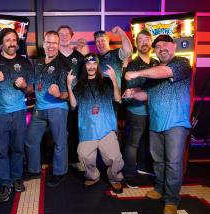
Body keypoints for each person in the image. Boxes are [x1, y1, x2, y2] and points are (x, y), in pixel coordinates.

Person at [123, 34, 192, 214]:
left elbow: (165, 72)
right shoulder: (155, 71)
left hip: (176, 124)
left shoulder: (181, 63)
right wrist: (132, 93)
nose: (161, 48)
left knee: (173, 163)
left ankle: (171, 200)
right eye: (158, 46)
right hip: (156, 123)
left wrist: (137, 73)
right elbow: (146, 94)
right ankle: (160, 189)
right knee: (159, 161)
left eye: (165, 45)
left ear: (173, 46)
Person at [0, 28, 33, 202]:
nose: (12, 43)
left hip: (19, 112)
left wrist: (25, 85)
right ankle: (5, 182)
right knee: (1, 150)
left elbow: (30, 89)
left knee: (18, 148)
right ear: (0, 43)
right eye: (7, 40)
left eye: (14, 40)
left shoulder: (25, 63)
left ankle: (16, 177)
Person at [67, 53, 124, 193]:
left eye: (94, 64)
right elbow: (73, 105)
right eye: (88, 64)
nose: (91, 66)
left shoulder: (106, 81)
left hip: (106, 128)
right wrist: (69, 85)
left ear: (97, 65)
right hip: (88, 129)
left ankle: (114, 178)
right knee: (83, 156)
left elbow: (118, 99)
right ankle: (93, 176)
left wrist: (114, 79)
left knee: (115, 158)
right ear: (85, 66)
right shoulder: (80, 85)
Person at [25, 31, 69, 188]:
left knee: (59, 142)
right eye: (48, 42)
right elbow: (32, 86)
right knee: (31, 140)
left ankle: (59, 172)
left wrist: (59, 94)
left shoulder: (63, 65)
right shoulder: (37, 62)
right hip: (39, 107)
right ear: (44, 43)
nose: (51, 46)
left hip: (57, 108)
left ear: (58, 45)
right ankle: (34, 170)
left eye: (55, 43)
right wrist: (24, 86)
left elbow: (67, 95)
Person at [123, 30, 158, 188]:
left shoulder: (156, 63)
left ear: (151, 42)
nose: (144, 42)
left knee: (147, 141)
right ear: (137, 44)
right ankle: (129, 175)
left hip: (154, 112)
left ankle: (143, 167)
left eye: (147, 39)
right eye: (141, 40)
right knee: (133, 144)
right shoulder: (134, 65)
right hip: (137, 112)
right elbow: (132, 91)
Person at [57, 25, 85, 171]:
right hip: (57, 100)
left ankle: (74, 159)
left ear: (71, 36)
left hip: (75, 101)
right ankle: (60, 161)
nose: (64, 36)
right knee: (58, 132)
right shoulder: (53, 55)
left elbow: (84, 79)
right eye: (61, 34)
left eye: (67, 34)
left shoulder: (79, 57)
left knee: (74, 130)